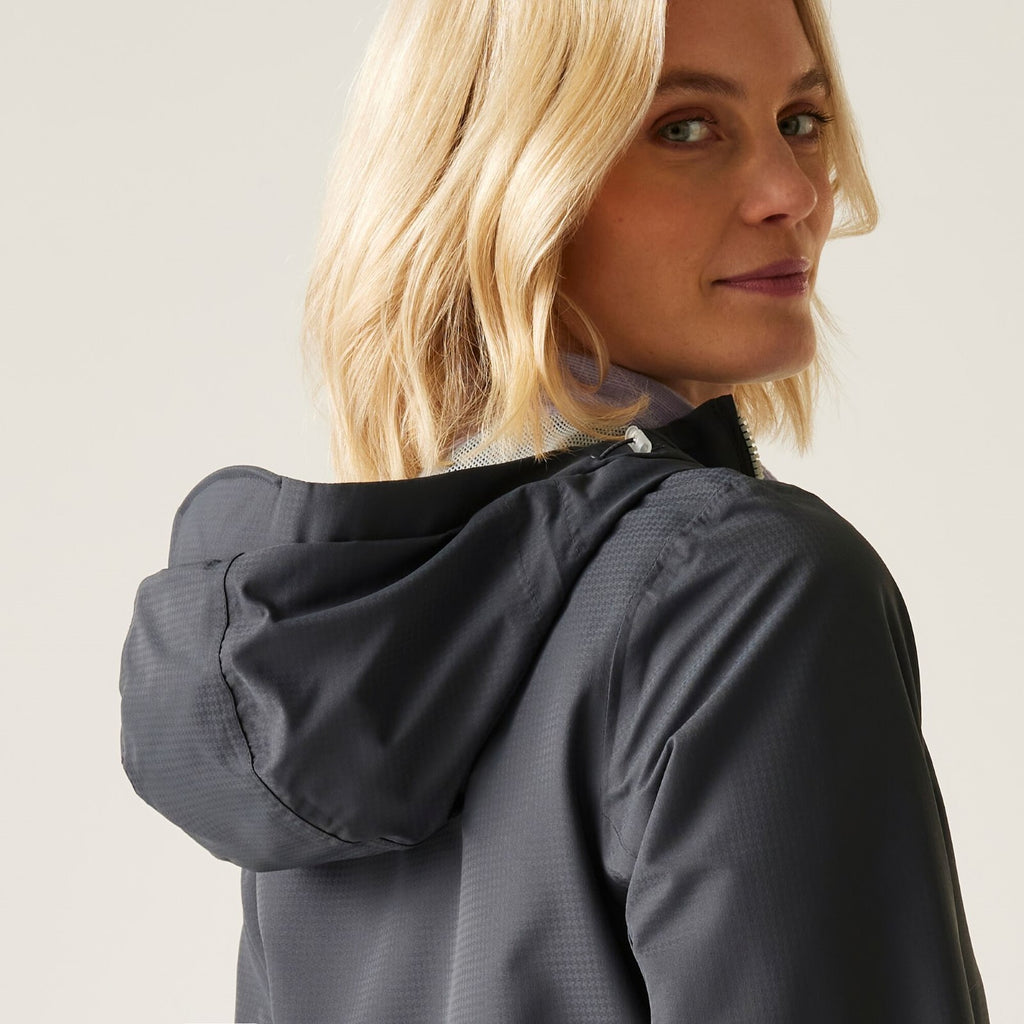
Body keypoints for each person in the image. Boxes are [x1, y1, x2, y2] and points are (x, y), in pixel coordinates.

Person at [117, 0, 990, 1020]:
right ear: (511, 181)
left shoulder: (331, 639)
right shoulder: (747, 593)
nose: (792, 191)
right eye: (685, 128)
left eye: (801, 119)